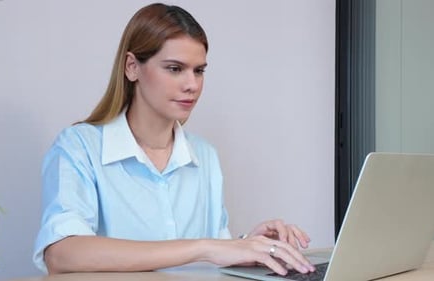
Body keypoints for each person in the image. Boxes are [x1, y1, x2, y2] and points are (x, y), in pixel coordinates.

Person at [33, 2, 315, 276]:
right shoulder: (79, 146)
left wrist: (250, 247)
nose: (192, 84)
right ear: (132, 67)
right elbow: (61, 253)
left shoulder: (204, 156)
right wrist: (203, 247)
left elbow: (213, 259)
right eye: (174, 68)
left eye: (199, 70)